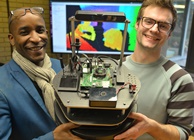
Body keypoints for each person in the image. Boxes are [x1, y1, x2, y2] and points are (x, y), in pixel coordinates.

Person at [114, 0, 194, 140]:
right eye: (149, 21)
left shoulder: (179, 79)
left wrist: (151, 127)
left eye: (163, 26)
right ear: (137, 24)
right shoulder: (111, 69)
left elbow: (182, 134)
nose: (154, 29)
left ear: (169, 34)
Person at [0, 7, 82, 140]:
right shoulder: (2, 85)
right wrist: (53, 137)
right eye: (24, 32)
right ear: (12, 39)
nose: (36, 38)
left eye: (40, 30)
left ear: (47, 33)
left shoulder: (64, 68)